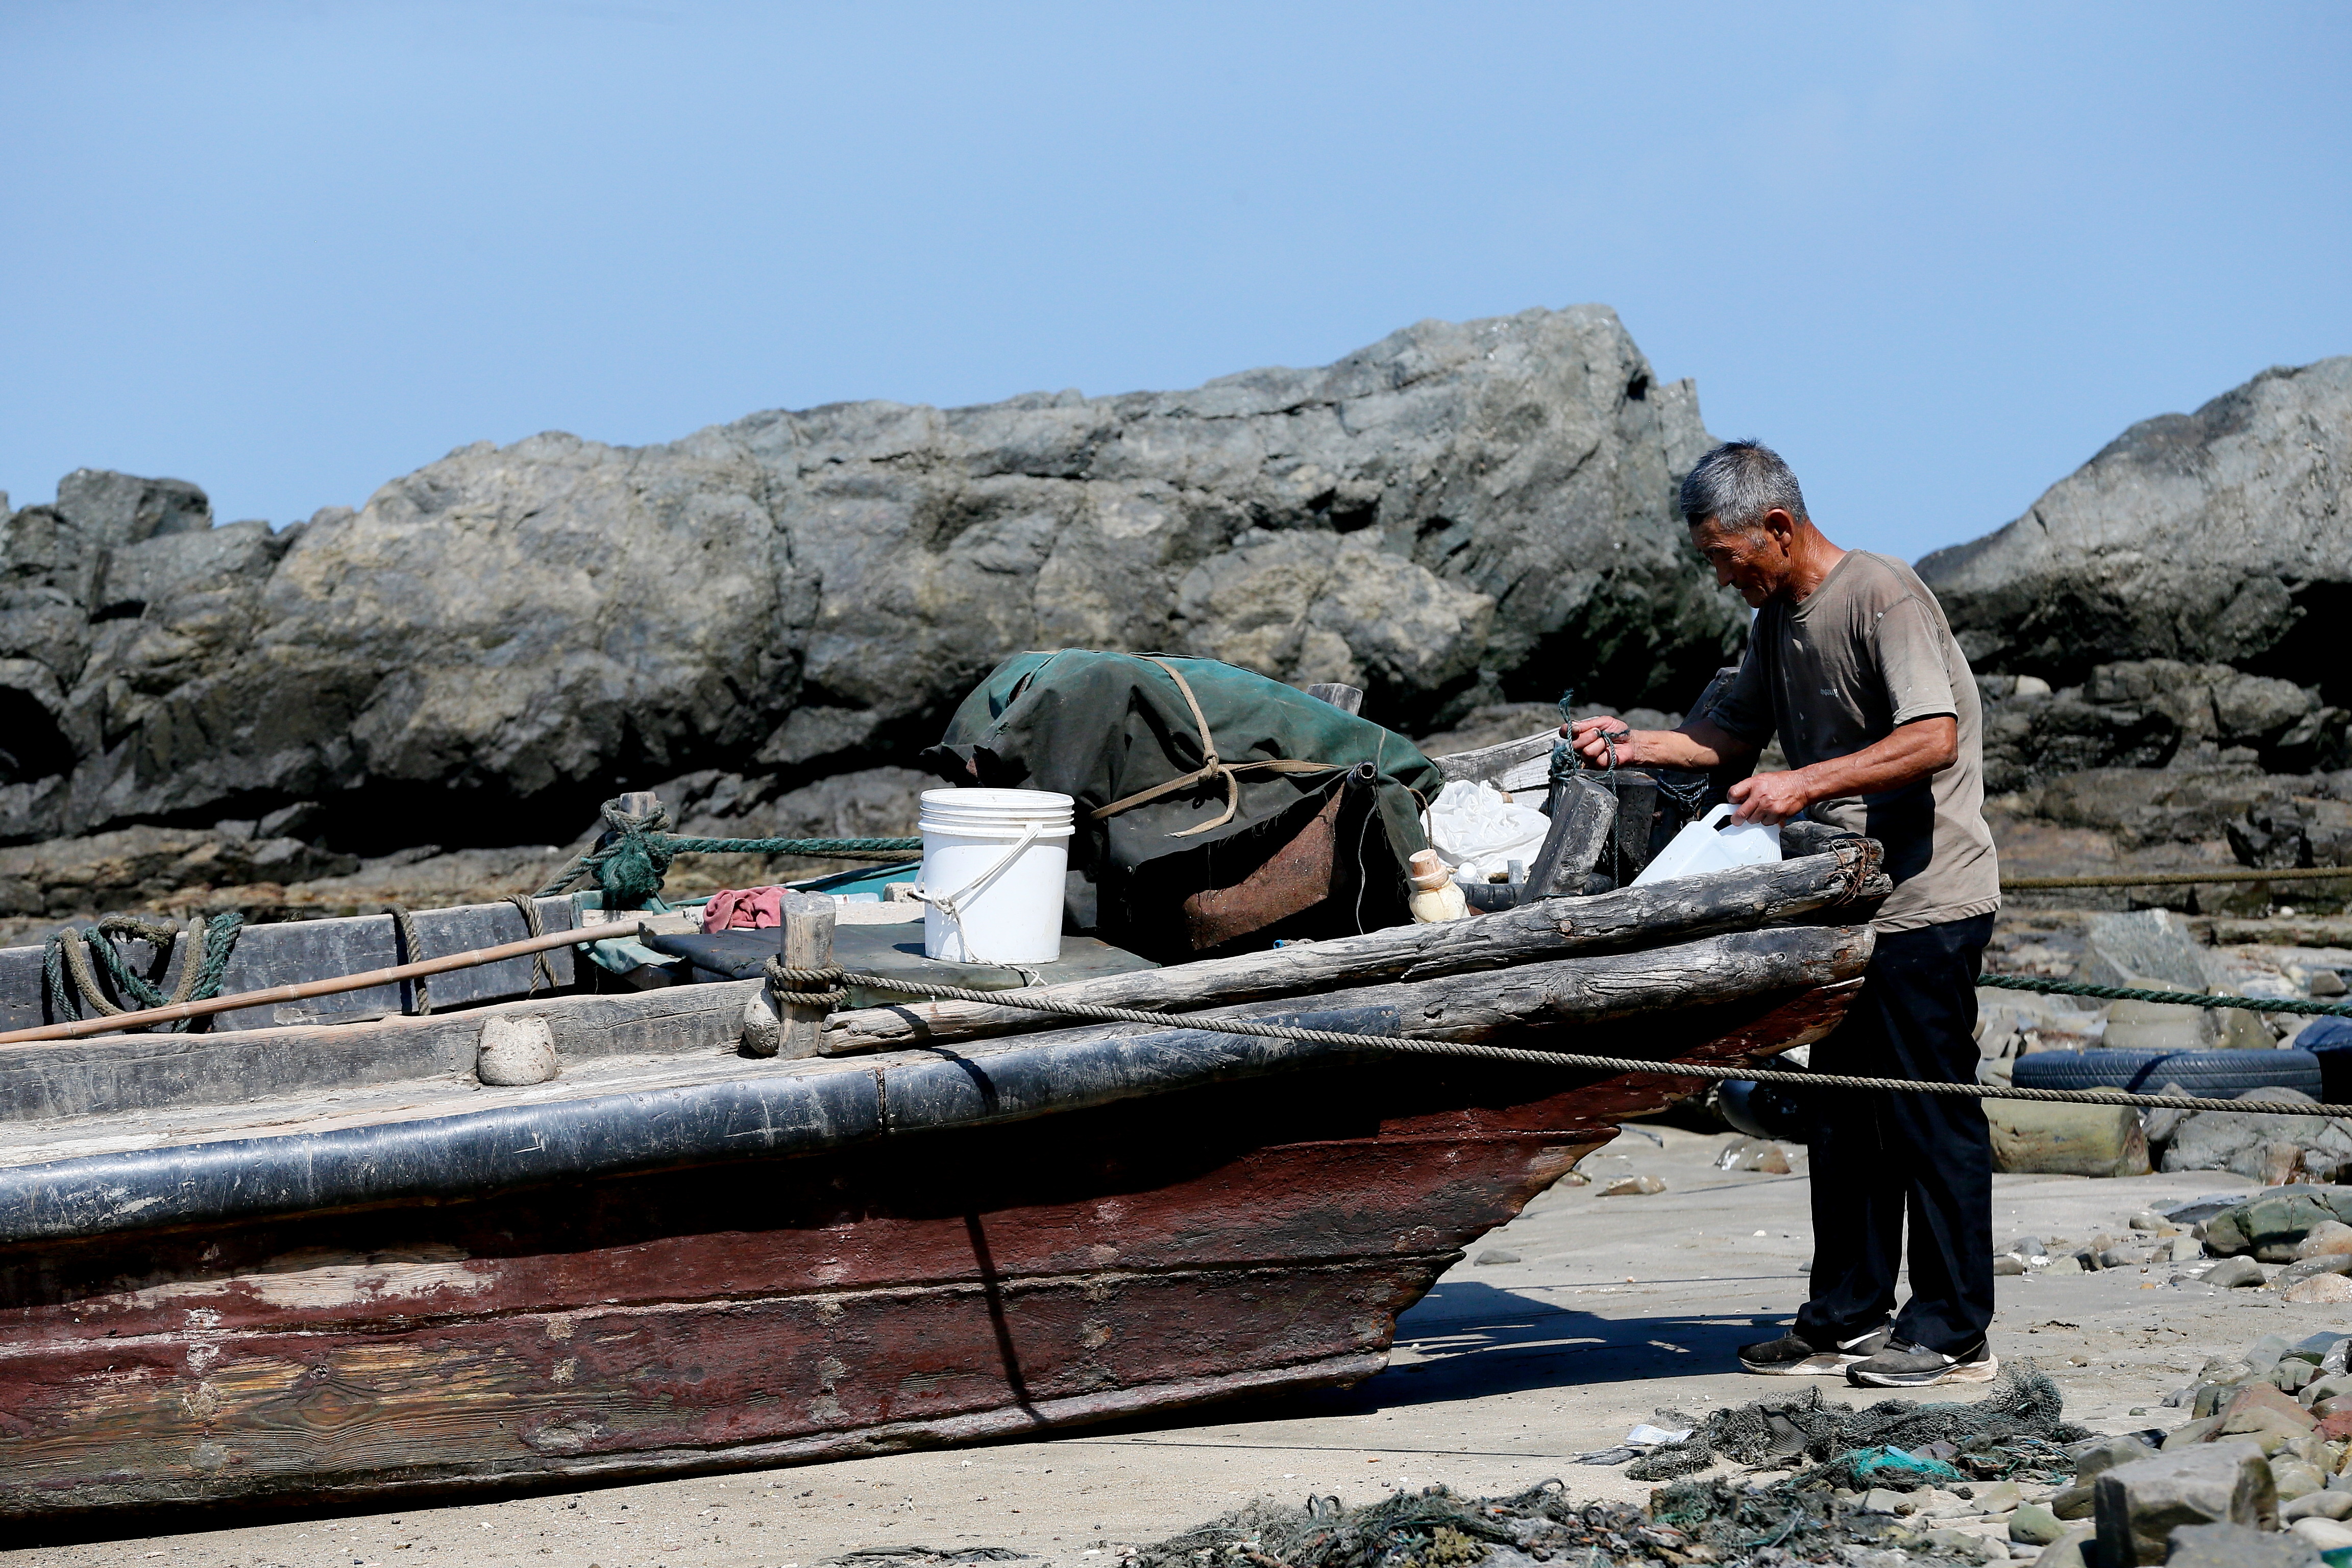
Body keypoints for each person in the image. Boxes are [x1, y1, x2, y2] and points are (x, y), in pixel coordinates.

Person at [1563, 440, 2001, 1389]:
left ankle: (1953, 1329)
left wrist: (1802, 785)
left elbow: (1933, 738)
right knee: (1844, 1119)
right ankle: (1845, 1315)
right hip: (1840, 902)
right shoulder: (1774, 623)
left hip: (1926, 902)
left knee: (1928, 1117)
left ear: (1779, 527)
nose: (1722, 578)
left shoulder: (1881, 594)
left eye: (1728, 557)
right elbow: (1724, 738)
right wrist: (1628, 741)